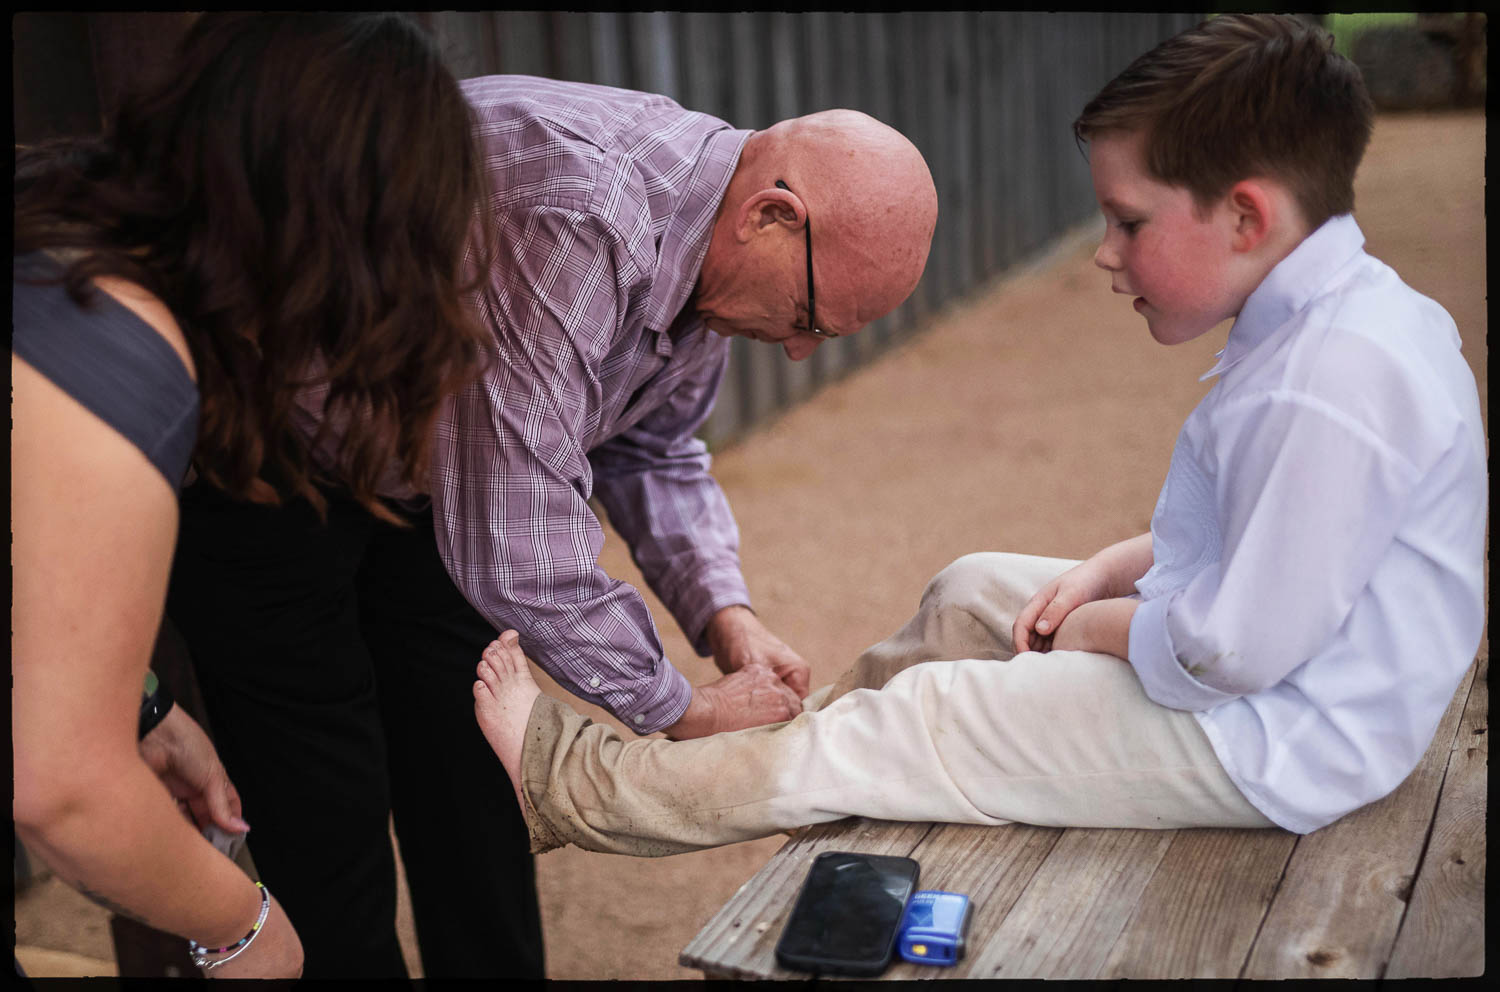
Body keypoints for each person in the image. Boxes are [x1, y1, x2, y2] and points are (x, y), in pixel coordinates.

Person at [466, 13, 1486, 856]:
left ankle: (590, 785)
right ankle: (804, 734)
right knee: (971, 589)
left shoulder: (1330, 379)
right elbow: (1255, 533)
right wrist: (1112, 570)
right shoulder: (1324, 325)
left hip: (1281, 739)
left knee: (931, 718)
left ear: (1245, 217)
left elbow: (1230, 648)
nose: (1104, 252)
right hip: (1278, 670)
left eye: (1129, 222)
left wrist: (1089, 626)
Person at [163, 74, 938, 976]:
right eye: (808, 318)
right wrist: (680, 711)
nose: (801, 347)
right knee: (326, 816)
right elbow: (519, 540)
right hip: (268, 451)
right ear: (770, 216)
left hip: (424, 466)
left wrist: (729, 617)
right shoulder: (582, 218)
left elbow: (652, 451)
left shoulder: (710, 258)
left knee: (478, 774)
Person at [13, 12, 498, 979]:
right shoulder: (125, 358)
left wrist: (144, 710)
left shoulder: (64, 233)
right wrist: (241, 926)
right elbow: (60, 788)